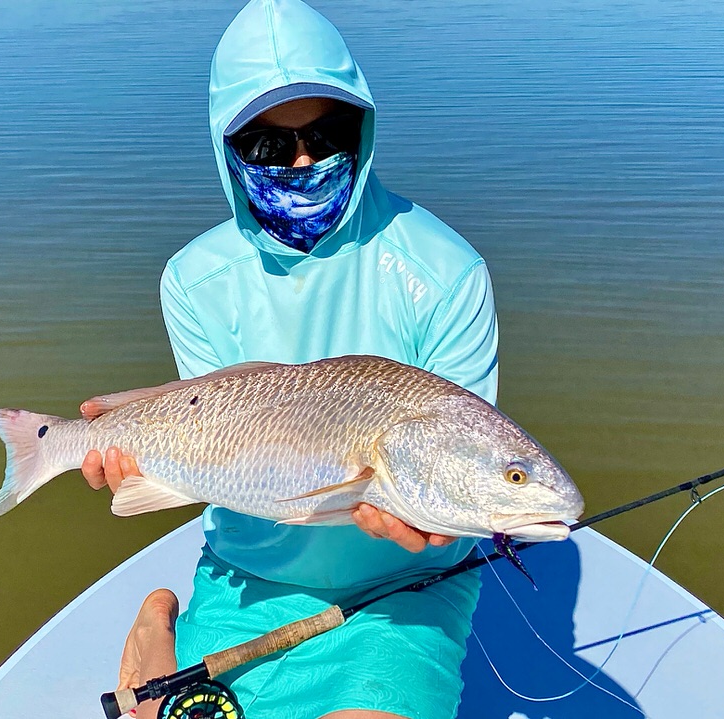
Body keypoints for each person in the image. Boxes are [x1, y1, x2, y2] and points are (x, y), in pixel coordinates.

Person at [82, 1, 498, 717]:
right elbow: (214, 432)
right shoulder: (193, 278)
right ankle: (160, 618)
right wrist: (138, 447)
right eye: (271, 147)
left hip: (409, 584)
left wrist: (444, 523)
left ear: (361, 127)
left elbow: (465, 461)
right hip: (251, 569)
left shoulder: (446, 272)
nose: (304, 161)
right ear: (228, 149)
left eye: (326, 133)